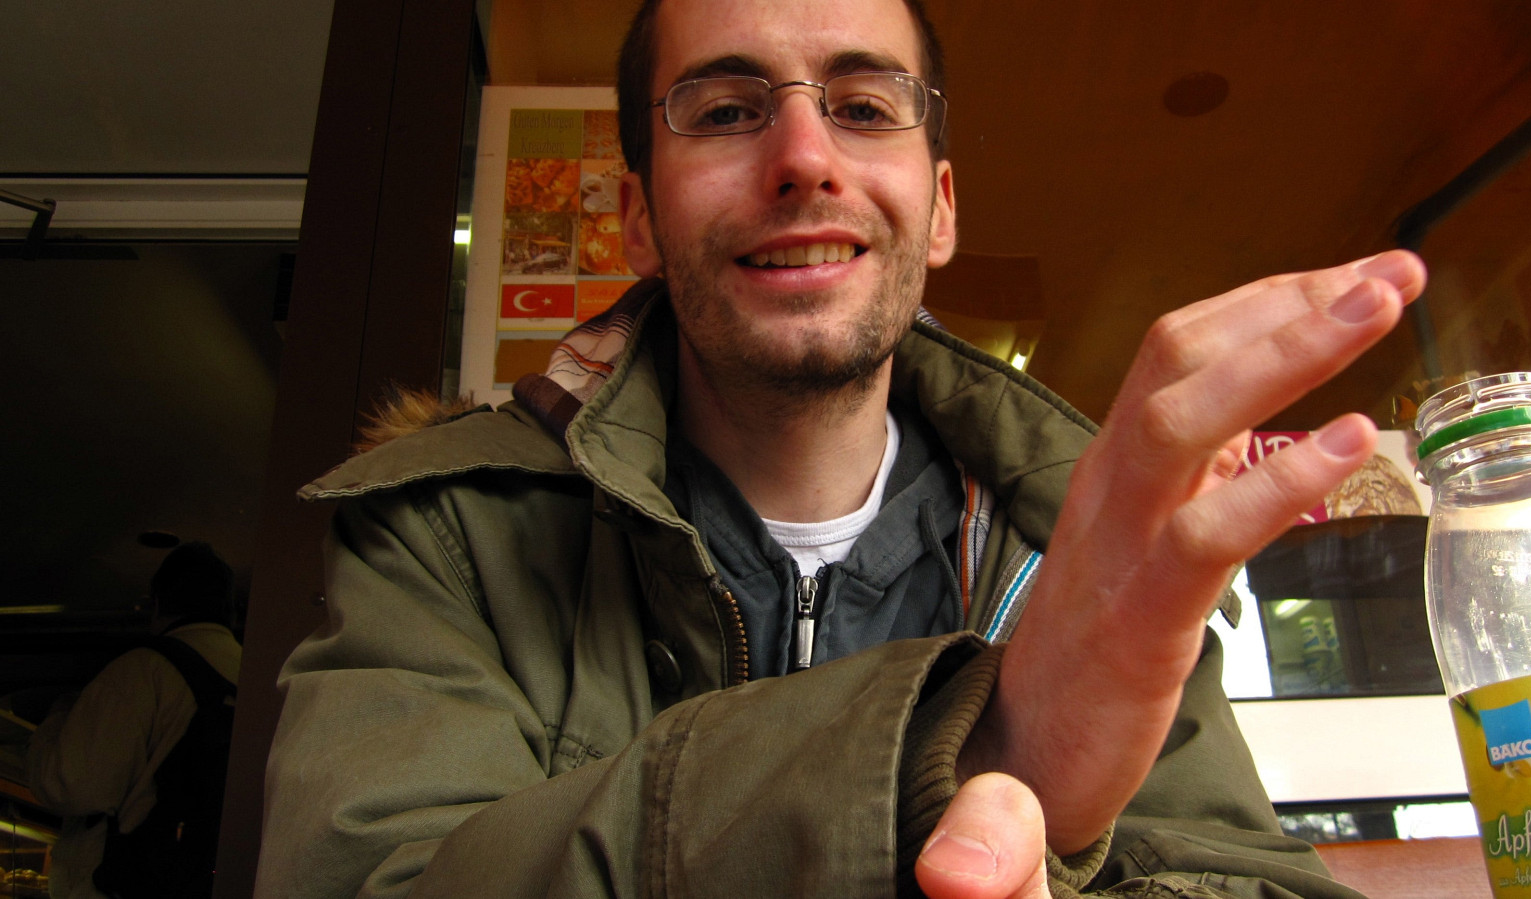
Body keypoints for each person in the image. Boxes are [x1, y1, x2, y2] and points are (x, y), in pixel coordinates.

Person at [256, 0, 1428, 895]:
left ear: (942, 205)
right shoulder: (444, 531)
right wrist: (970, 750)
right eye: (726, 111)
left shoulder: (1087, 547)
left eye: (864, 108)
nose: (804, 157)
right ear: (637, 219)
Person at [28, 542, 242, 899]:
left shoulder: (142, 672)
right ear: (228, 609)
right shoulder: (253, 677)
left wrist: (57, 718)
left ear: (157, 604)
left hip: (128, 882)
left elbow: (72, 787)